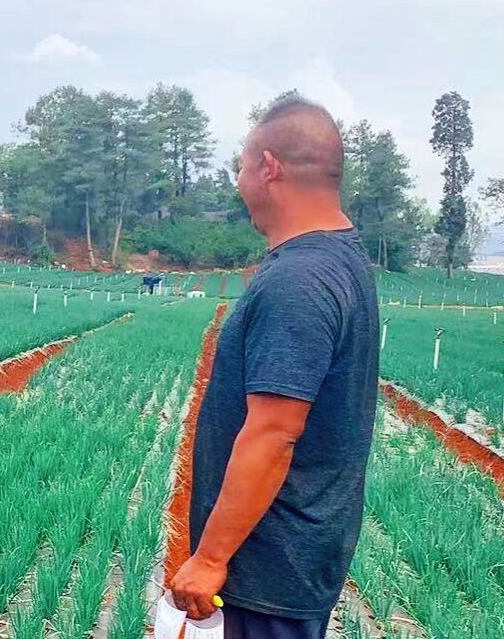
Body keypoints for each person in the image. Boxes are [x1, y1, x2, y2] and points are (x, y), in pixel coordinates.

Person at [170, 97, 378, 638]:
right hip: (296, 554)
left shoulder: (299, 279)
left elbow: (274, 432)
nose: (239, 180)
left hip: (274, 563)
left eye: (240, 165)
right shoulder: (339, 257)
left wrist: (212, 557)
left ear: (269, 167)